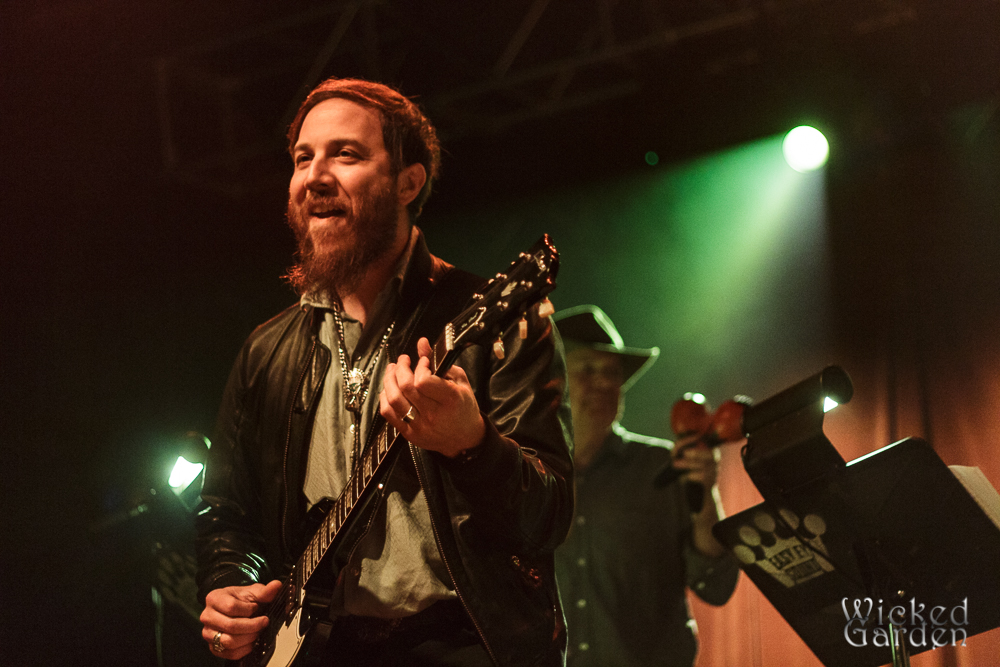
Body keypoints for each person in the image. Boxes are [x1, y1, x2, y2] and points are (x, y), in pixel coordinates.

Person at [194, 77, 574, 667]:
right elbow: (226, 512)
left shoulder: (497, 321)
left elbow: (547, 518)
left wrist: (473, 446)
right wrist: (231, 585)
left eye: (345, 154)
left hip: (461, 648)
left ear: (408, 183)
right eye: (302, 158)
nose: (315, 176)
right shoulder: (266, 351)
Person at [552, 305, 739, 667]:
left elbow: (715, 584)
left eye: (612, 373)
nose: (605, 383)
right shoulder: (527, 472)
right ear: (553, 381)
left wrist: (705, 492)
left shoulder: (662, 467)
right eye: (588, 370)